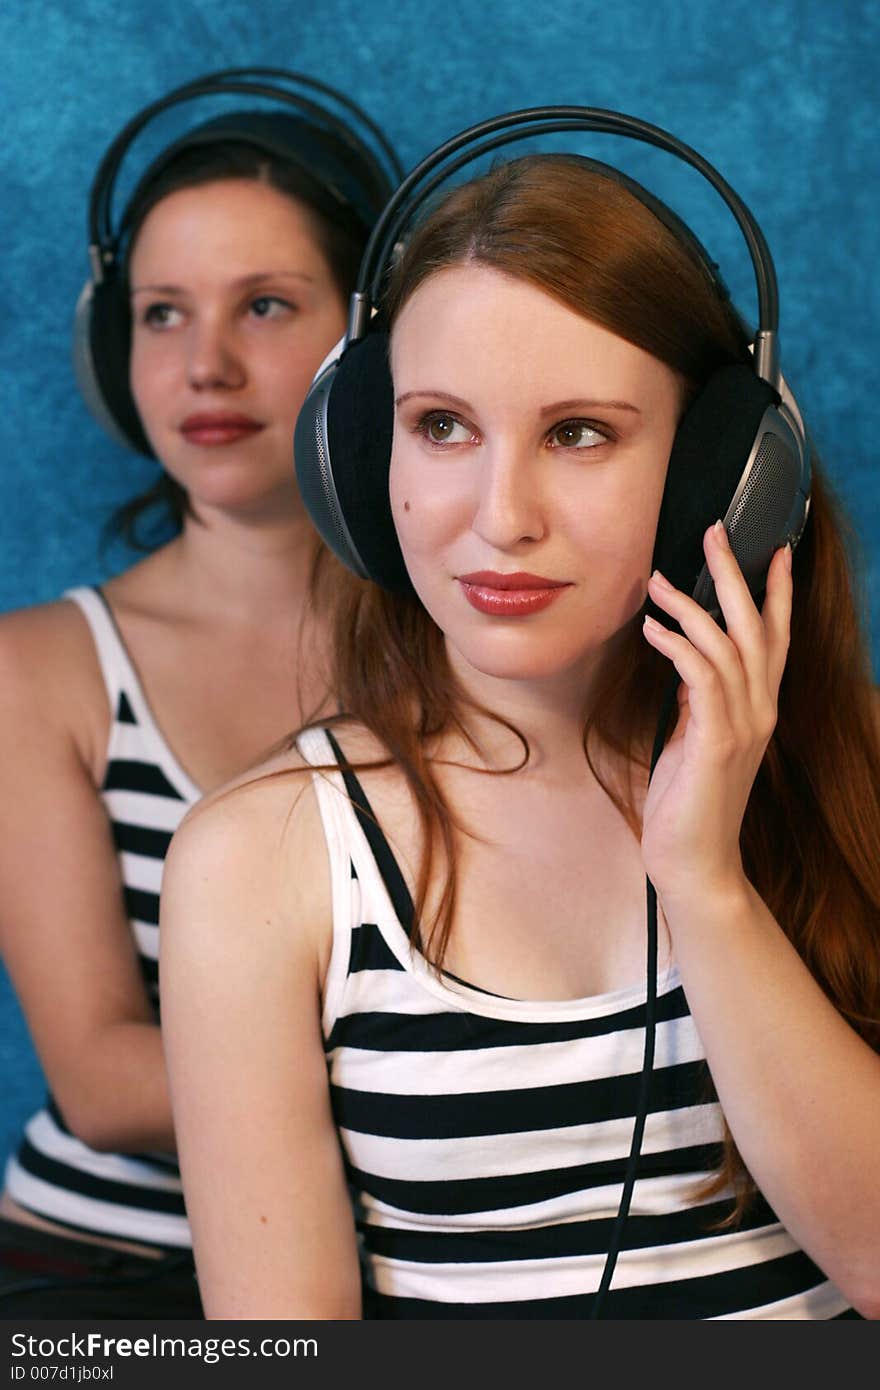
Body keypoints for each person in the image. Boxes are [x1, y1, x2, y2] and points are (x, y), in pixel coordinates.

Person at [160, 144, 880, 1320]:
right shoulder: (261, 858)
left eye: (579, 433)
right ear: (359, 459)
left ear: (726, 475)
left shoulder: (854, 765)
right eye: (441, 426)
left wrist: (703, 884)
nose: (501, 519)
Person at [0, 70, 401, 1317]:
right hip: (107, 1273)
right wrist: (463, 1086)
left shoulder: (476, 636)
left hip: (412, 1269)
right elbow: (107, 1084)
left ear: (372, 336)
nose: (206, 364)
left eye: (265, 305)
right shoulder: (43, 668)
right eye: (162, 314)